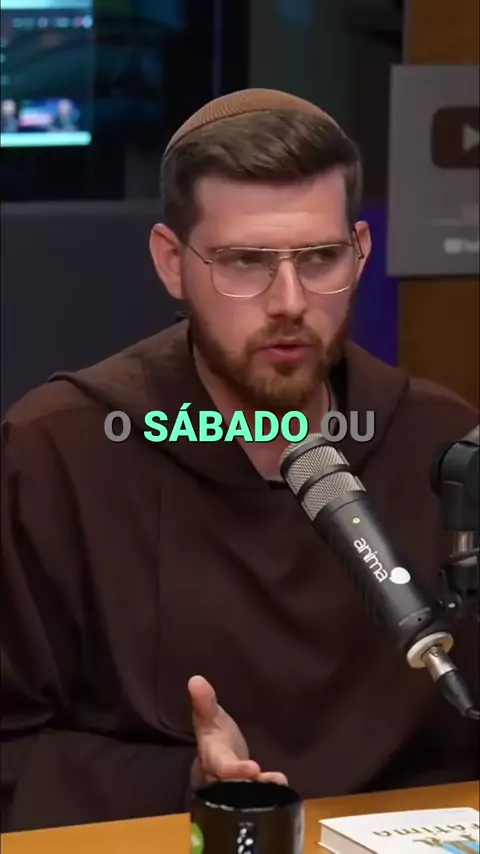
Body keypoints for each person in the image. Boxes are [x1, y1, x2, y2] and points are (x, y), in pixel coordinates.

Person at [1, 88, 478, 833]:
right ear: (172, 263)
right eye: (246, 262)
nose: (289, 301)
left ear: (360, 250)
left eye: (320, 258)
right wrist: (187, 779)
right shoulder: (61, 451)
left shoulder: (442, 446)